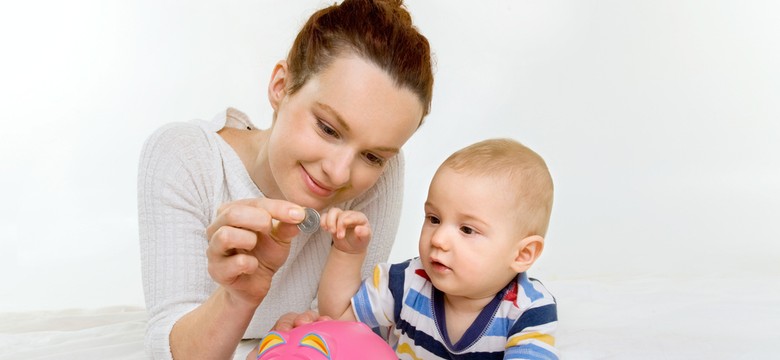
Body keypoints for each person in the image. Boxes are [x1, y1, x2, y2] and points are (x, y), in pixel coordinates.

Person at [137, 0, 434, 358]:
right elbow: (166, 350)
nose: (339, 173)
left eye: (372, 156)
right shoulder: (186, 157)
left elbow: (350, 323)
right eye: (327, 128)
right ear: (281, 85)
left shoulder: (380, 176)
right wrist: (238, 298)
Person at [317, 138, 559, 359]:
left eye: (467, 230)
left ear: (522, 254)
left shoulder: (528, 310)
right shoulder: (406, 283)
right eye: (434, 219)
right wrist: (347, 253)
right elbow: (336, 320)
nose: (439, 239)